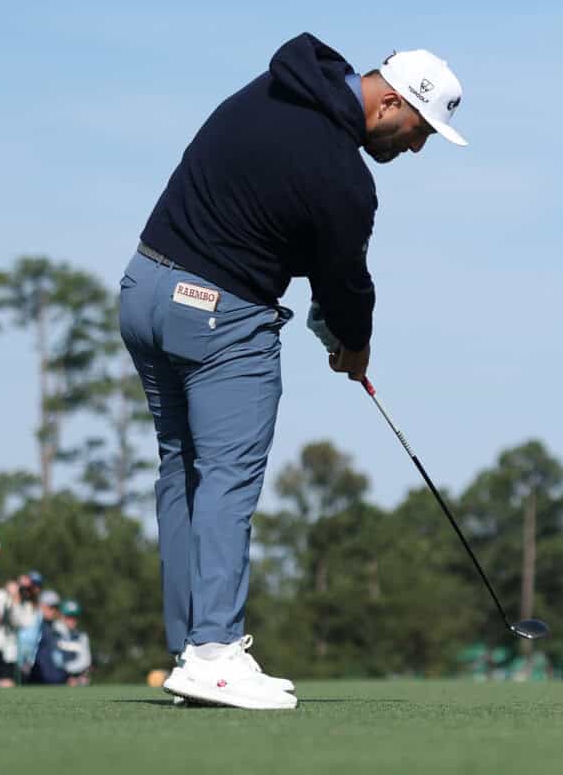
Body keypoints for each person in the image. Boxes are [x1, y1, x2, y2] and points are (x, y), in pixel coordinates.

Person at [119, 35, 467, 710]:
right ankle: (215, 653)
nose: (416, 148)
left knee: (182, 469)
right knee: (226, 476)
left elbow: (278, 214)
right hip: (218, 315)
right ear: (390, 104)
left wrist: (323, 303)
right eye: (420, 131)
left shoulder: (275, 87)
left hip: (143, 290)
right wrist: (354, 343)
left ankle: (190, 650)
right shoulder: (346, 177)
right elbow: (345, 281)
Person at [27, 590, 69, 685]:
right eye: (51, 607)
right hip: (37, 679)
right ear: (41, 606)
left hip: (58, 680)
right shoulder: (33, 625)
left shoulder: (57, 627)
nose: (54, 611)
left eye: (56, 607)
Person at [56, 599, 92, 685]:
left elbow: (86, 661)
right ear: (62, 616)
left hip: (75, 677)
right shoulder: (53, 633)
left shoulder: (81, 636)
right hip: (55, 677)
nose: (72, 620)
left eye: (74, 617)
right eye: (69, 616)